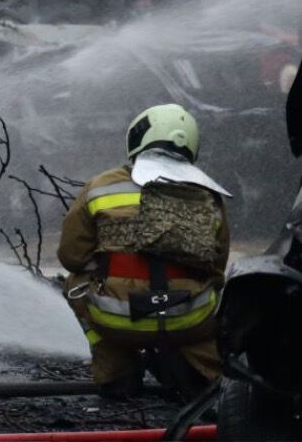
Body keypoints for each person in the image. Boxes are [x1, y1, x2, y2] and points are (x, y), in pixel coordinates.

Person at [58, 104, 230, 401]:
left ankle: (116, 372)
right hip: (189, 320)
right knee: (218, 293)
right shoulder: (209, 195)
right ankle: (202, 369)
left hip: (116, 318)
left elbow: (71, 256)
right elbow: (217, 267)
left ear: (137, 137)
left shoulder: (101, 186)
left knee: (74, 284)